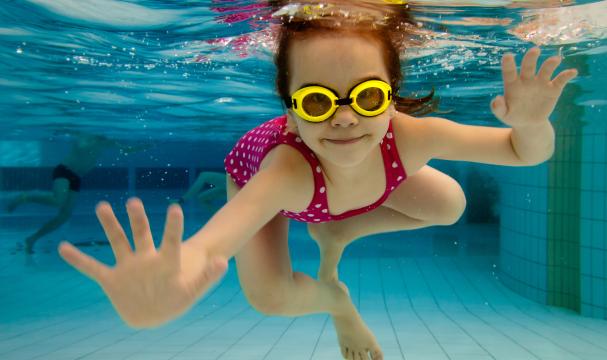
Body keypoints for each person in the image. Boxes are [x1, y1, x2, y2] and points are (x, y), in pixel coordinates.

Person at [57, 1, 578, 359]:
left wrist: (532, 124)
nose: (345, 118)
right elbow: (212, 242)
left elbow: (519, 152)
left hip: (347, 196)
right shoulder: (287, 171)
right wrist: (170, 286)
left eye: (368, 96)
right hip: (272, 180)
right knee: (270, 298)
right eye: (317, 101)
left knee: (449, 203)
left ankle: (339, 229)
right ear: (289, 111)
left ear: (392, 95)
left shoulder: (411, 136)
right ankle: (337, 301)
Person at [7, 133, 148, 254]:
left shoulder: (107, 142)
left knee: (64, 216)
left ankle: (32, 239)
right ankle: (24, 197)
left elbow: (127, 150)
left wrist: (145, 146)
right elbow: (79, 142)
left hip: (76, 177)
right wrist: (87, 139)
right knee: (58, 201)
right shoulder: (86, 136)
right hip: (64, 171)